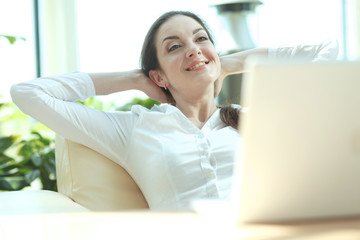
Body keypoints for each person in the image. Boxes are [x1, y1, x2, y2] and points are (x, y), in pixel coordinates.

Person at [10, 11, 338, 210]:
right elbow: (29, 94)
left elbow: (327, 51)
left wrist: (231, 62)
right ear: (159, 76)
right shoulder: (134, 129)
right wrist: (133, 79)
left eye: (201, 39)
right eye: (175, 46)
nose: (193, 50)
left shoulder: (251, 118)